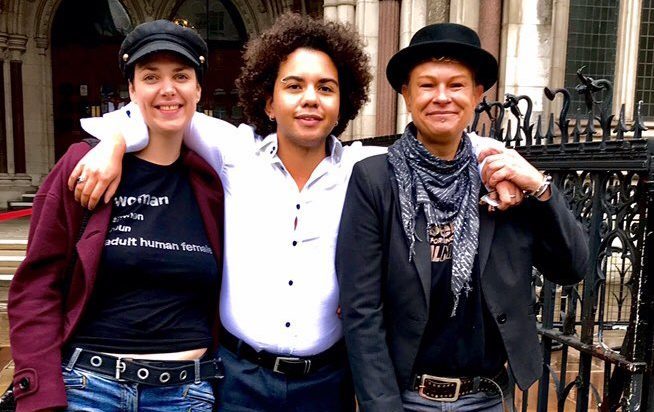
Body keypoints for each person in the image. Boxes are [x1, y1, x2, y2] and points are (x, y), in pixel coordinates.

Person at [65, 14, 517, 411]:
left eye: (326, 88)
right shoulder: (234, 153)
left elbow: (449, 143)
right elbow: (163, 107)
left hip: (327, 383)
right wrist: (115, 143)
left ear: (342, 104)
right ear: (268, 101)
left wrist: (506, 163)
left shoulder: (366, 171)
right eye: (294, 85)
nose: (310, 98)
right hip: (238, 379)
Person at [336, 23, 590, 412]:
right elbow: (361, 309)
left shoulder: (501, 176)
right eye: (427, 85)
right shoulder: (375, 180)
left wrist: (540, 188)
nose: (442, 97)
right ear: (406, 94)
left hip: (488, 396)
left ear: (477, 94)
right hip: (407, 397)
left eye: (456, 85)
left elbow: (571, 267)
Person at [8, 20, 224, 412]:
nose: (168, 89)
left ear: (198, 90)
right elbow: (37, 286)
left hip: (185, 395)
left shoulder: (215, 180)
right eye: (151, 77)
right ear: (132, 90)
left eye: (181, 76)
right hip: (89, 390)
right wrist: (39, 393)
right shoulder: (84, 166)